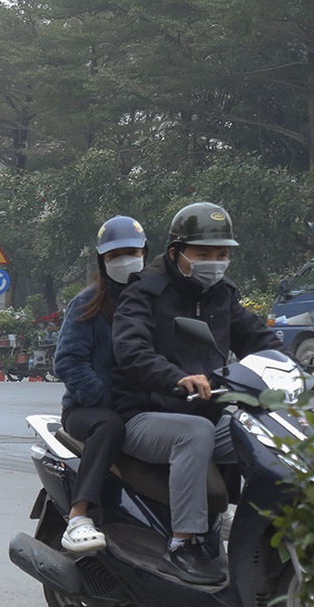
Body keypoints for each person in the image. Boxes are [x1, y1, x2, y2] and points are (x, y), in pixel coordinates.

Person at [112, 201, 282, 586]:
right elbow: (131, 350)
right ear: (176, 252)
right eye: (203, 253)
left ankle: (263, 530)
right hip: (143, 414)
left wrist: (302, 374)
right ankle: (183, 543)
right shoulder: (145, 292)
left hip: (204, 410)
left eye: (222, 254)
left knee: (262, 429)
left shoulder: (222, 295)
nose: (214, 262)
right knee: (195, 432)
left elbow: (259, 339)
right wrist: (176, 378)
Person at [51, 215, 147, 555]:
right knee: (110, 425)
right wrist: (104, 397)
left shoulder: (154, 299)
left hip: (142, 404)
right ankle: (79, 515)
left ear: (145, 253)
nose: (125, 260)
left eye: (131, 252)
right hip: (88, 409)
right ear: (102, 260)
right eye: (114, 255)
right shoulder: (88, 302)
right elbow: (67, 362)